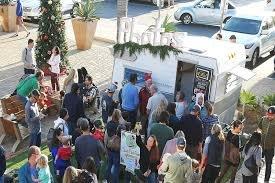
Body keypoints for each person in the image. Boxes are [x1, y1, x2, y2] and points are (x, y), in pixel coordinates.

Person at [258, 106, 275, 182]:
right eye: (268, 114)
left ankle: (266, 180)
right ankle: (255, 177)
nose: (269, 116)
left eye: (272, 115)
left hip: (270, 148)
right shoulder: (263, 119)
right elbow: (259, 129)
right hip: (261, 146)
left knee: (268, 165)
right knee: (258, 162)